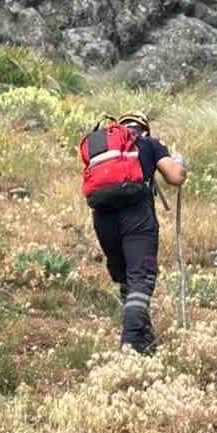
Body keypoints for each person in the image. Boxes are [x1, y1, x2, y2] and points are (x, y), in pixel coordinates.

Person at [90, 112, 187, 354]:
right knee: (141, 279)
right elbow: (175, 177)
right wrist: (179, 163)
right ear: (145, 129)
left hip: (103, 217)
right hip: (137, 218)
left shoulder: (101, 146)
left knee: (125, 279)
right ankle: (132, 343)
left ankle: (144, 336)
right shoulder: (149, 143)